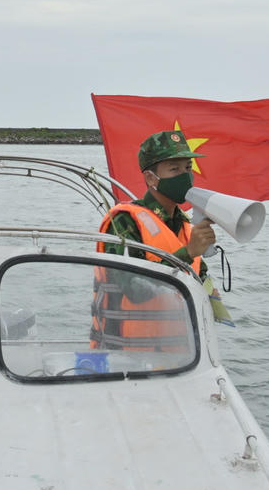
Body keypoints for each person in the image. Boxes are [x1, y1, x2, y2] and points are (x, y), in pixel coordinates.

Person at [90, 130, 218, 350]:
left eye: (188, 168)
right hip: (125, 355)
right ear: (151, 178)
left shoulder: (185, 225)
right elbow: (132, 289)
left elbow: (200, 277)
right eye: (174, 169)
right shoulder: (124, 221)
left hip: (182, 358)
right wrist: (188, 253)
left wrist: (212, 298)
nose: (185, 176)